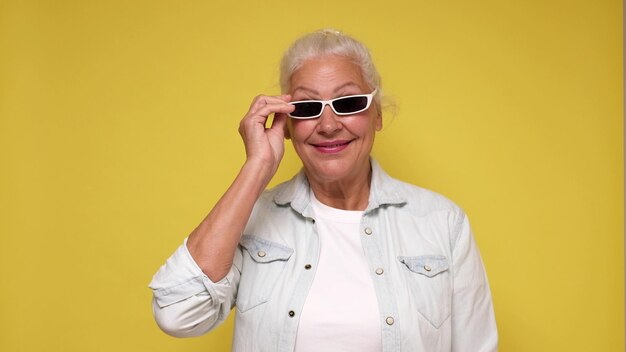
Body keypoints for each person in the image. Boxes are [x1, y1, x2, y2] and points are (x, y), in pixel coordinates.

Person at [149, 29, 498, 351]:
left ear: (376, 114)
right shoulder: (251, 220)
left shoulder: (442, 223)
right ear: (287, 125)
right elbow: (177, 312)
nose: (329, 125)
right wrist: (256, 168)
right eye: (307, 107)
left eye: (348, 103)